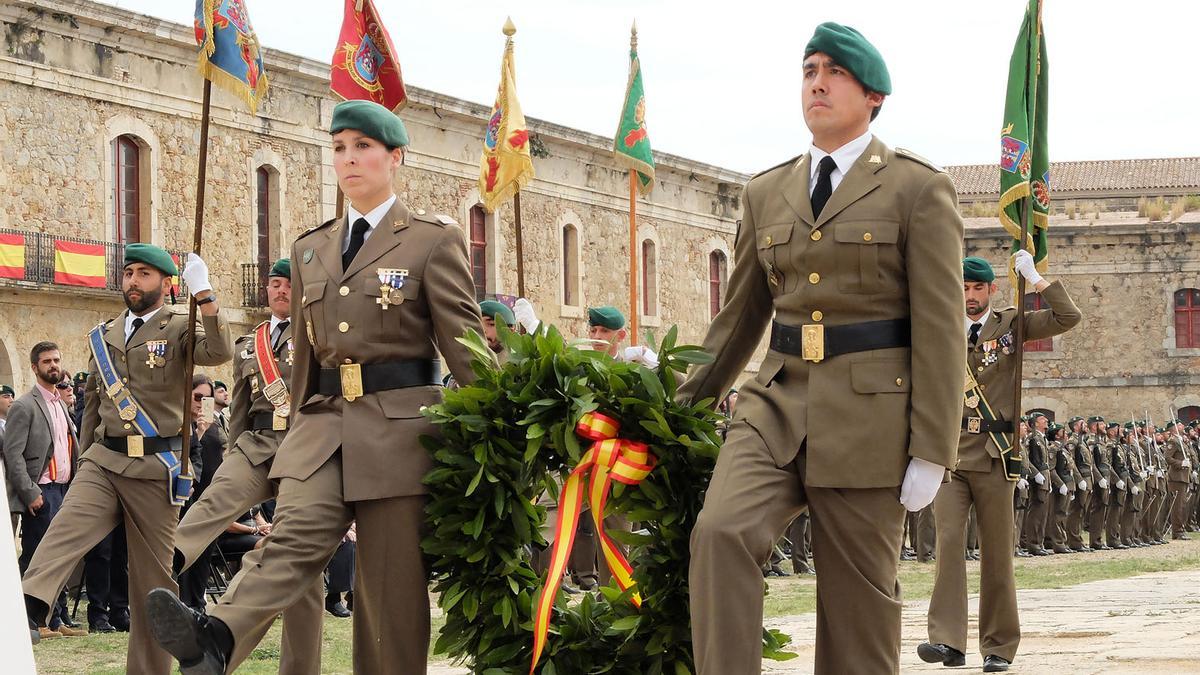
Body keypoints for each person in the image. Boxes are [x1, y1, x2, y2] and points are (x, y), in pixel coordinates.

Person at [148, 98, 487, 675]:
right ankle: (217, 640)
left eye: (362, 147)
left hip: (401, 432)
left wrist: (497, 430)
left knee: (388, 593)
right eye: (338, 149)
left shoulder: (432, 240)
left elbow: (467, 348)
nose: (348, 160)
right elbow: (303, 358)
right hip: (323, 424)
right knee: (291, 537)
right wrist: (295, 431)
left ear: (394, 158)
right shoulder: (311, 248)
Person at [679, 22, 966, 673]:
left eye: (833, 72)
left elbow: (942, 330)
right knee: (720, 533)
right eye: (809, 70)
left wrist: (931, 449)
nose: (817, 82)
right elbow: (738, 319)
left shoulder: (917, 189)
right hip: (775, 405)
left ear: (873, 97)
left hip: (870, 416)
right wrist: (675, 404)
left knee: (857, 610)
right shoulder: (765, 191)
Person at [19, 243, 231, 672]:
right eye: (129, 272)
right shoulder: (105, 333)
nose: (133, 280)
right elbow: (95, 402)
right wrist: (86, 462)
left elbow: (220, 351)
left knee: (153, 589)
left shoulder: (179, 325)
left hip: (157, 469)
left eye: (144, 274)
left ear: (166, 283)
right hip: (105, 460)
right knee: (65, 529)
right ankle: (27, 608)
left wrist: (204, 294)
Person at [920, 254, 1079, 671]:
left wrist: (1036, 280)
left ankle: (998, 646)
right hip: (950, 454)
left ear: (992, 290)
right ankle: (947, 641)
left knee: (996, 555)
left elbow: (1067, 317)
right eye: (964, 289)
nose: (970, 297)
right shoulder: (941, 326)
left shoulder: (1010, 324)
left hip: (995, 453)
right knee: (949, 544)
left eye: (977, 289)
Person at [168, 258, 324, 674]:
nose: (279, 291)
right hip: (255, 444)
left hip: (303, 445)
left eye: (288, 285)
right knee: (216, 498)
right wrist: (235, 450)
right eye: (274, 284)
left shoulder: (316, 331)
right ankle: (169, 560)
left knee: (296, 556)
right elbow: (238, 407)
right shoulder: (248, 343)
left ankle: (300, 667)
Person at [3, 342, 84, 638]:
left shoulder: (61, 404)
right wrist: (30, 493)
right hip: (42, 493)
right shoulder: (24, 406)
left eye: (57, 359)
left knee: (61, 556)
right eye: (47, 361)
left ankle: (56, 619)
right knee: (38, 556)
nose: (53, 365)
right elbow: (13, 456)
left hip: (64, 490)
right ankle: (33, 622)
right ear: (35, 367)